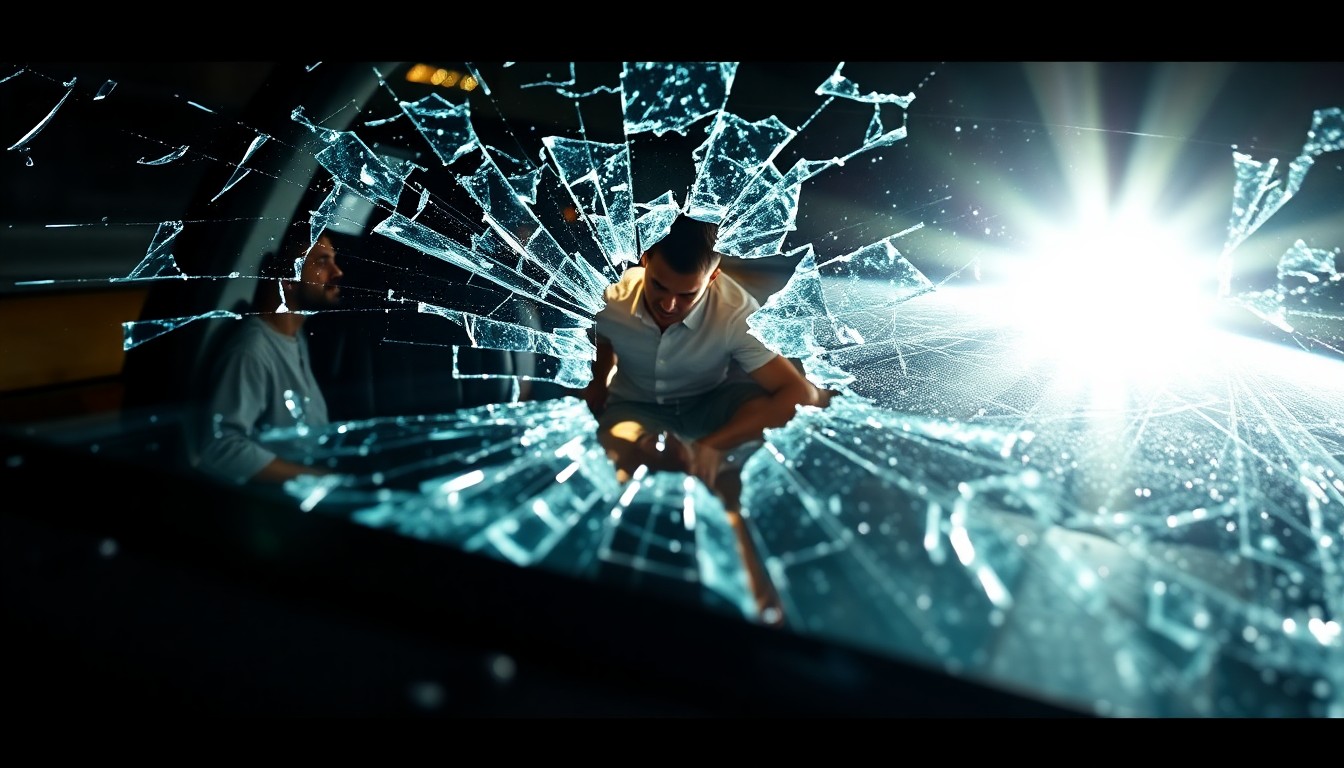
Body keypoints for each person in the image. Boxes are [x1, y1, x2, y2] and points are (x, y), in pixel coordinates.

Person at [581, 215, 822, 495]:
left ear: (712, 278)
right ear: (645, 259)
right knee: (615, 454)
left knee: (763, 409)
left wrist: (713, 444)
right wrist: (598, 380)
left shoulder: (736, 311)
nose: (669, 305)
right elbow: (606, 336)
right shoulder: (611, 295)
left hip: (708, 403)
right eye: (659, 285)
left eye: (687, 294)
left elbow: (800, 394)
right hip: (635, 404)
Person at [195, 227, 344, 485]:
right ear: (288, 279)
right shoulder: (252, 351)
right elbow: (220, 448)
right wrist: (319, 479)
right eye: (322, 262)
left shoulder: (294, 340)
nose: (337, 272)